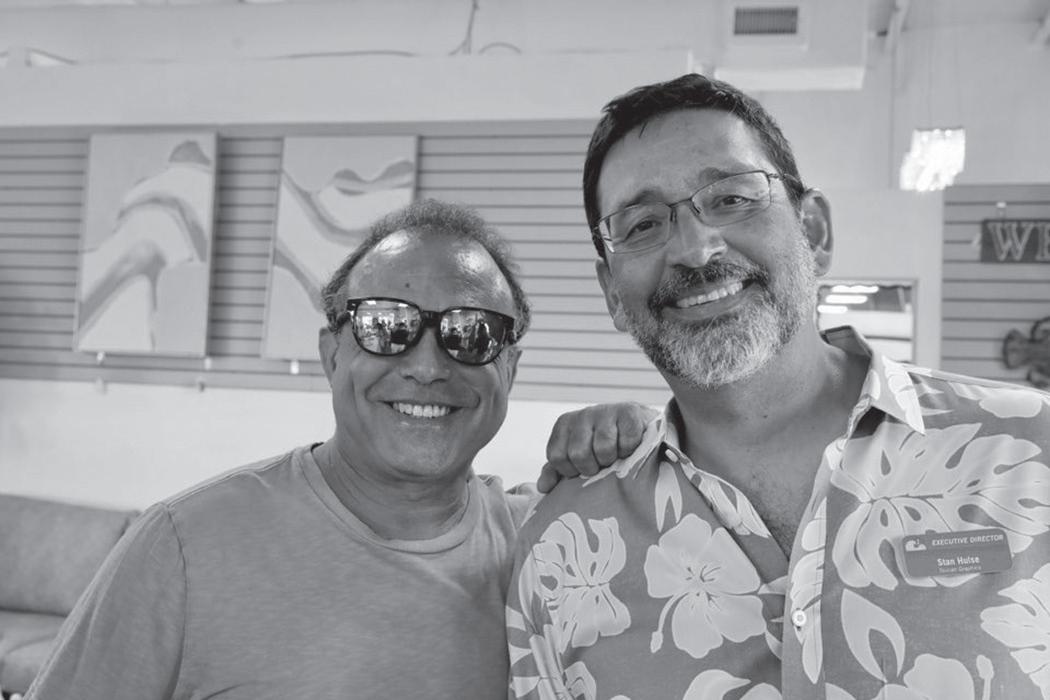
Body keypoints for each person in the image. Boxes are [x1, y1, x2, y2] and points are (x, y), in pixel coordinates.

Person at [506, 74, 1050, 700]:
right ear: (611, 293)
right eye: (643, 224)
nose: (695, 249)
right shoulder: (561, 550)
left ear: (814, 232)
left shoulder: (1028, 453)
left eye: (731, 198)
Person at [25, 199, 649, 700]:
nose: (428, 366)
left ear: (508, 370)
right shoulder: (181, 546)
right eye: (385, 326)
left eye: (471, 332)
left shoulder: (543, 548)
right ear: (331, 356)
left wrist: (643, 434)